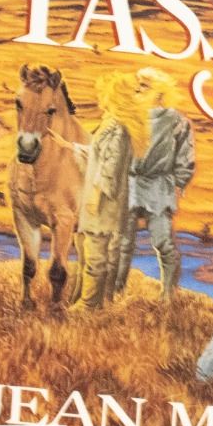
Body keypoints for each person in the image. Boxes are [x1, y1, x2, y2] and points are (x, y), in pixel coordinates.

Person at [114, 68, 197, 303]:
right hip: (129, 184)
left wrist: (180, 181)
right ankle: (116, 290)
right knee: (122, 243)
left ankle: (168, 295)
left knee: (163, 242)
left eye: (145, 86)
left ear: (159, 92)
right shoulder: (127, 118)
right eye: (138, 85)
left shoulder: (176, 121)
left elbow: (185, 156)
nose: (138, 89)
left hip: (159, 187)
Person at [74, 72, 143, 310]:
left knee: (95, 252)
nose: (99, 97)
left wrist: (95, 195)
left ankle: (88, 305)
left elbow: (110, 167)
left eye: (102, 92)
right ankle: (99, 301)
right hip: (106, 199)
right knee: (99, 250)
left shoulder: (116, 128)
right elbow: (99, 157)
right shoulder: (114, 125)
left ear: (113, 96)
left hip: (104, 200)